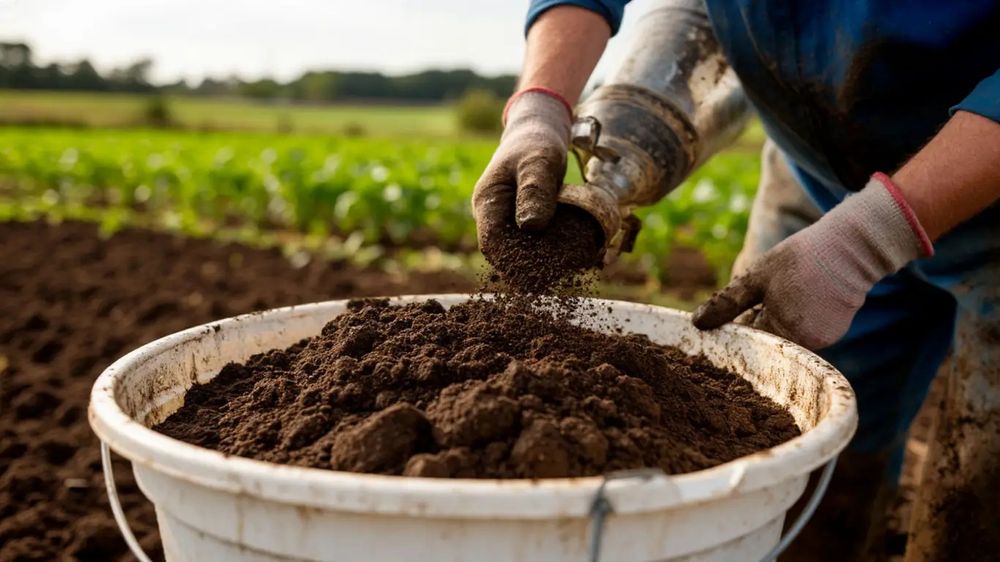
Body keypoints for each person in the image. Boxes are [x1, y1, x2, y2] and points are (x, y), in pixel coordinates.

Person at [472, 1, 1000, 560]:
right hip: (819, 176)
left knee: (976, 500)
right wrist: (540, 107)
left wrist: (870, 236)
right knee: (797, 457)